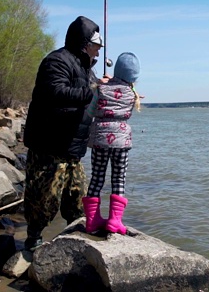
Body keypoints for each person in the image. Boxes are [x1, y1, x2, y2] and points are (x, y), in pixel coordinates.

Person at [22, 16, 104, 250]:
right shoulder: (56, 61)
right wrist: (91, 91)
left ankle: (75, 243)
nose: (97, 53)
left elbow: (93, 95)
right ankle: (33, 240)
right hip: (49, 146)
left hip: (72, 149)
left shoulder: (88, 69)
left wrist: (106, 87)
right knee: (43, 199)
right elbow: (55, 92)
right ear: (84, 44)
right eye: (96, 47)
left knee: (77, 201)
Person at [82, 52, 142, 235]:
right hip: (122, 141)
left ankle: (92, 221)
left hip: (100, 139)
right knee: (119, 179)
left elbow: (91, 112)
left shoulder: (101, 89)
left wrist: (102, 87)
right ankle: (115, 221)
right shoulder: (132, 94)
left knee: (97, 178)